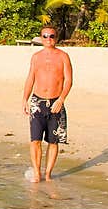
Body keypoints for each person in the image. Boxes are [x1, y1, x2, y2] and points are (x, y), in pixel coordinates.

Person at [21, 25, 73, 182]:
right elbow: (31, 78)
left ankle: (48, 174)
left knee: (53, 141)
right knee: (35, 140)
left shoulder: (63, 56)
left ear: (56, 38)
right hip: (37, 102)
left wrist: (61, 99)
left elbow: (69, 80)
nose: (48, 39)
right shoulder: (36, 57)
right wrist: (25, 98)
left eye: (51, 36)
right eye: (45, 36)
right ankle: (37, 173)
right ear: (41, 38)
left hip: (55, 103)